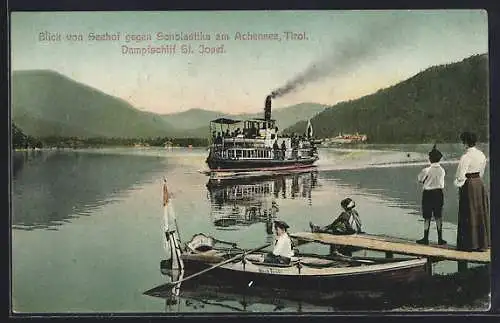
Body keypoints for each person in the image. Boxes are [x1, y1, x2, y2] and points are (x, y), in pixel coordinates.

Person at [454, 131, 489, 251]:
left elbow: (460, 175)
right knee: (479, 212)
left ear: (465, 143)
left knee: (468, 212)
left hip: (469, 184)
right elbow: (482, 171)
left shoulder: (466, 157)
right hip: (479, 183)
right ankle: (481, 243)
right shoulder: (481, 154)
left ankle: (469, 244)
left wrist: (458, 184)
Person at [416, 144, 446, 245]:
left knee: (427, 217)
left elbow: (420, 179)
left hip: (428, 194)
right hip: (438, 193)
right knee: (438, 216)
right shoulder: (442, 170)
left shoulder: (426, 170)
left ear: (430, 159)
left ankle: (425, 238)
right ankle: (440, 239)